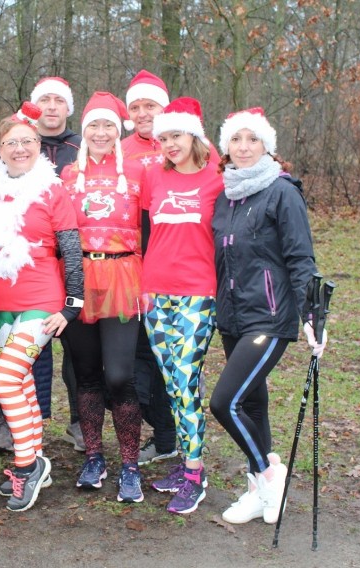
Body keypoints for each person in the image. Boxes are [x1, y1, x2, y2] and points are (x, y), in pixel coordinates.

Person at [209, 107, 326, 524]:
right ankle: (259, 493)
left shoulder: (282, 192)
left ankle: (268, 472)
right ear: (226, 147)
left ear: (267, 147)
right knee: (253, 405)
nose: (243, 147)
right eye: (236, 140)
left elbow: (300, 257)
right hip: (232, 317)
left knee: (225, 402)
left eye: (252, 139)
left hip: (270, 317)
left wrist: (313, 315)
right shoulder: (226, 194)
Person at [0, 103, 84, 511]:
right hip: (1, 301)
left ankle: (26, 468)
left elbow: (72, 251)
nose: (20, 148)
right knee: (20, 384)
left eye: (27, 141)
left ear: (40, 146)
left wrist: (71, 307)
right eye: (11, 142)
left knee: (4, 383)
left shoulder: (53, 189)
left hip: (42, 298)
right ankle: (37, 456)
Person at [59, 92, 146, 503]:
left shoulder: (137, 173)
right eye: (93, 125)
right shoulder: (64, 175)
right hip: (77, 279)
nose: (99, 132)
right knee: (86, 372)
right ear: (85, 130)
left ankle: (130, 462)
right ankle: (94, 456)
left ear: (118, 130)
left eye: (108, 125)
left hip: (123, 276)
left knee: (120, 375)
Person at [141, 97, 225, 514]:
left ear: (194, 134)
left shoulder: (218, 179)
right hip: (155, 292)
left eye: (175, 135)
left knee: (187, 374)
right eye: (163, 138)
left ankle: (195, 471)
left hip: (199, 292)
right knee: (172, 380)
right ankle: (185, 461)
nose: (169, 144)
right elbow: (145, 233)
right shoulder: (154, 178)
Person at [119, 70, 178, 466]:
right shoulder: (119, 149)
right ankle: (151, 429)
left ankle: (171, 433)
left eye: (150, 105)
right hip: (128, 266)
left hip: (176, 265)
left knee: (169, 355)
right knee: (137, 353)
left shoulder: (186, 144)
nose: (143, 113)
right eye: (136, 107)